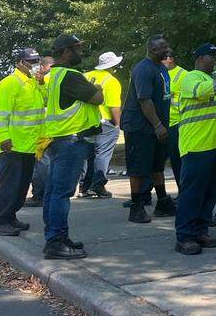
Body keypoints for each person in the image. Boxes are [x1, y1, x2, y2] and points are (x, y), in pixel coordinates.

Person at [41, 33, 104, 260]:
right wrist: (97, 88)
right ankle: (56, 241)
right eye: (77, 48)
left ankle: (54, 237)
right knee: (62, 193)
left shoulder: (53, 76)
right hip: (71, 141)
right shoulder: (71, 76)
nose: (80, 52)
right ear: (66, 52)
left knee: (53, 191)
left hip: (59, 140)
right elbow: (97, 98)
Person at [174, 43, 216, 255]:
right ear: (200, 59)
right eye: (211, 55)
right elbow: (202, 93)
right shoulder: (192, 78)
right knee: (192, 194)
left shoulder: (214, 83)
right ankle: (184, 237)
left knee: (208, 194)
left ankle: (200, 231)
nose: (215, 60)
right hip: (197, 146)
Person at [0, 48, 45, 236]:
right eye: (32, 61)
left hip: (29, 146)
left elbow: (45, 102)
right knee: (8, 185)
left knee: (21, 186)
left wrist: (42, 82)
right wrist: (3, 137)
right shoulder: (9, 83)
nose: (36, 64)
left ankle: (10, 217)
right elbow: (1, 114)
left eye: (37, 60)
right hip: (11, 145)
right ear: (20, 63)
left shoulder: (33, 84)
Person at [120, 36, 176, 223]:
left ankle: (162, 202)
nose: (167, 50)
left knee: (157, 165)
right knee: (138, 167)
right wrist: (158, 125)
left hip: (156, 126)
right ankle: (136, 207)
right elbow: (144, 100)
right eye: (163, 48)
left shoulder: (161, 68)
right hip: (140, 127)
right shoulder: (143, 69)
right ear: (152, 50)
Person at [79, 51, 123, 199]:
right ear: (113, 65)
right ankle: (98, 185)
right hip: (104, 122)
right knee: (102, 154)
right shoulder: (111, 81)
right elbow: (114, 106)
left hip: (86, 122)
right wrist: (118, 124)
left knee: (88, 155)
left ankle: (84, 187)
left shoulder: (85, 76)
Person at [24, 55, 54, 208]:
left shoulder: (45, 81)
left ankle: (40, 195)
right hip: (44, 131)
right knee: (43, 165)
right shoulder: (39, 81)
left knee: (41, 166)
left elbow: (47, 100)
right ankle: (41, 194)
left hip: (42, 131)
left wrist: (41, 81)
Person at [164, 50, 187, 186]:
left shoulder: (183, 75)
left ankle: (183, 190)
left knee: (178, 160)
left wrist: (171, 95)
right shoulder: (160, 72)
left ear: (171, 59)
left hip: (177, 122)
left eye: (164, 58)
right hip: (162, 122)